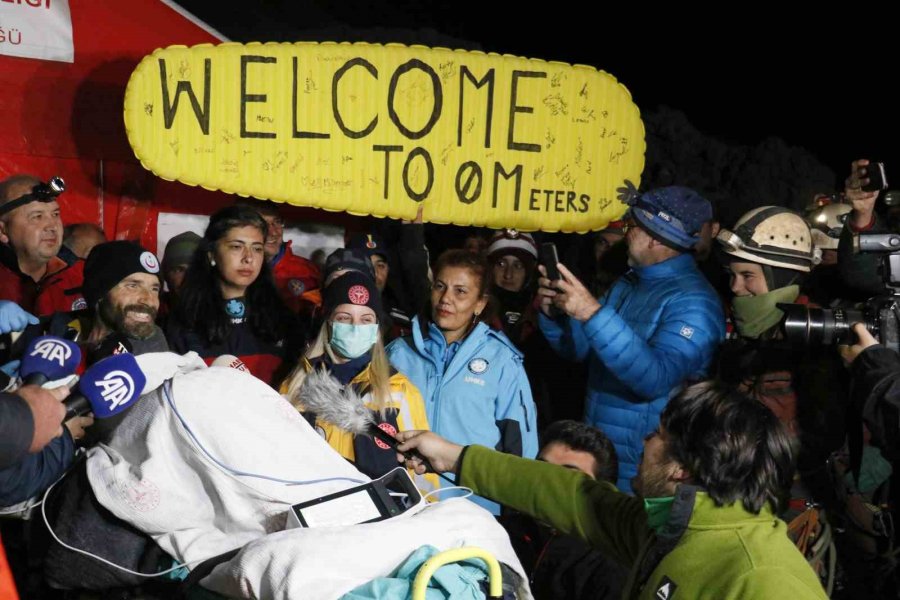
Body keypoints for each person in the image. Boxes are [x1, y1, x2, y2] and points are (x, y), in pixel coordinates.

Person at [396, 381, 828, 599]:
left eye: (657, 435)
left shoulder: (764, 578)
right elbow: (567, 493)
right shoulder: (668, 528)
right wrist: (453, 456)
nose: (644, 442)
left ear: (683, 467)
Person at [537, 186, 725, 491]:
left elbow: (655, 379)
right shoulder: (629, 283)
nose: (626, 234)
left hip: (644, 466)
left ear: (654, 237)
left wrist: (591, 313)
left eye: (632, 227)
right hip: (601, 454)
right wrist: (556, 315)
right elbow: (582, 350)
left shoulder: (695, 303)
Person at [386, 249, 538, 514]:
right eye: (440, 287)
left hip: (473, 508)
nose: (446, 299)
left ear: (480, 303)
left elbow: (521, 449)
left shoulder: (502, 360)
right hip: (403, 503)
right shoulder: (398, 353)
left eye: (460, 291)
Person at [282, 271, 436, 491]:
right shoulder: (296, 385)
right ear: (328, 322)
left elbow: (423, 478)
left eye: (366, 320)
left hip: (376, 521)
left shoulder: (400, 391)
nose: (356, 327)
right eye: (345, 318)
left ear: (376, 329)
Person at [167, 205, 303, 386]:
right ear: (211, 255)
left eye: (257, 248)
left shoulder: (284, 322)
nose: (248, 258)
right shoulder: (183, 323)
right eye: (237, 246)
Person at [501, 420, 626, 600]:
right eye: (541, 468)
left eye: (568, 478)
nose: (549, 483)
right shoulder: (498, 531)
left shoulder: (610, 567)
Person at [0, 175, 85, 316]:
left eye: (55, 214)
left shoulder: (84, 276)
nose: (52, 226)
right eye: (37, 216)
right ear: (2, 231)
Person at [237, 199, 321, 315]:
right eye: (263, 224)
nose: (273, 232)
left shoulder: (307, 271)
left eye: (277, 222)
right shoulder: (231, 270)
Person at [159, 230, 202, 324]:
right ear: (165, 274)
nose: (188, 278)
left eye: (195, 270)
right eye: (179, 270)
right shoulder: (153, 311)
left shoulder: (223, 315)